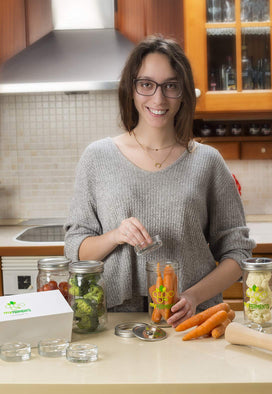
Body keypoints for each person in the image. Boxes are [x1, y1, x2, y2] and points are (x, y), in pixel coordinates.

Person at [64, 35, 256, 327]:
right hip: (115, 322)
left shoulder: (207, 162)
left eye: (171, 86)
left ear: (184, 93)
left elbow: (238, 254)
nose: (158, 98)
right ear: (131, 89)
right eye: (146, 84)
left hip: (189, 322)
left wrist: (192, 297)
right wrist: (116, 235)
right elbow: (76, 250)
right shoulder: (97, 158)